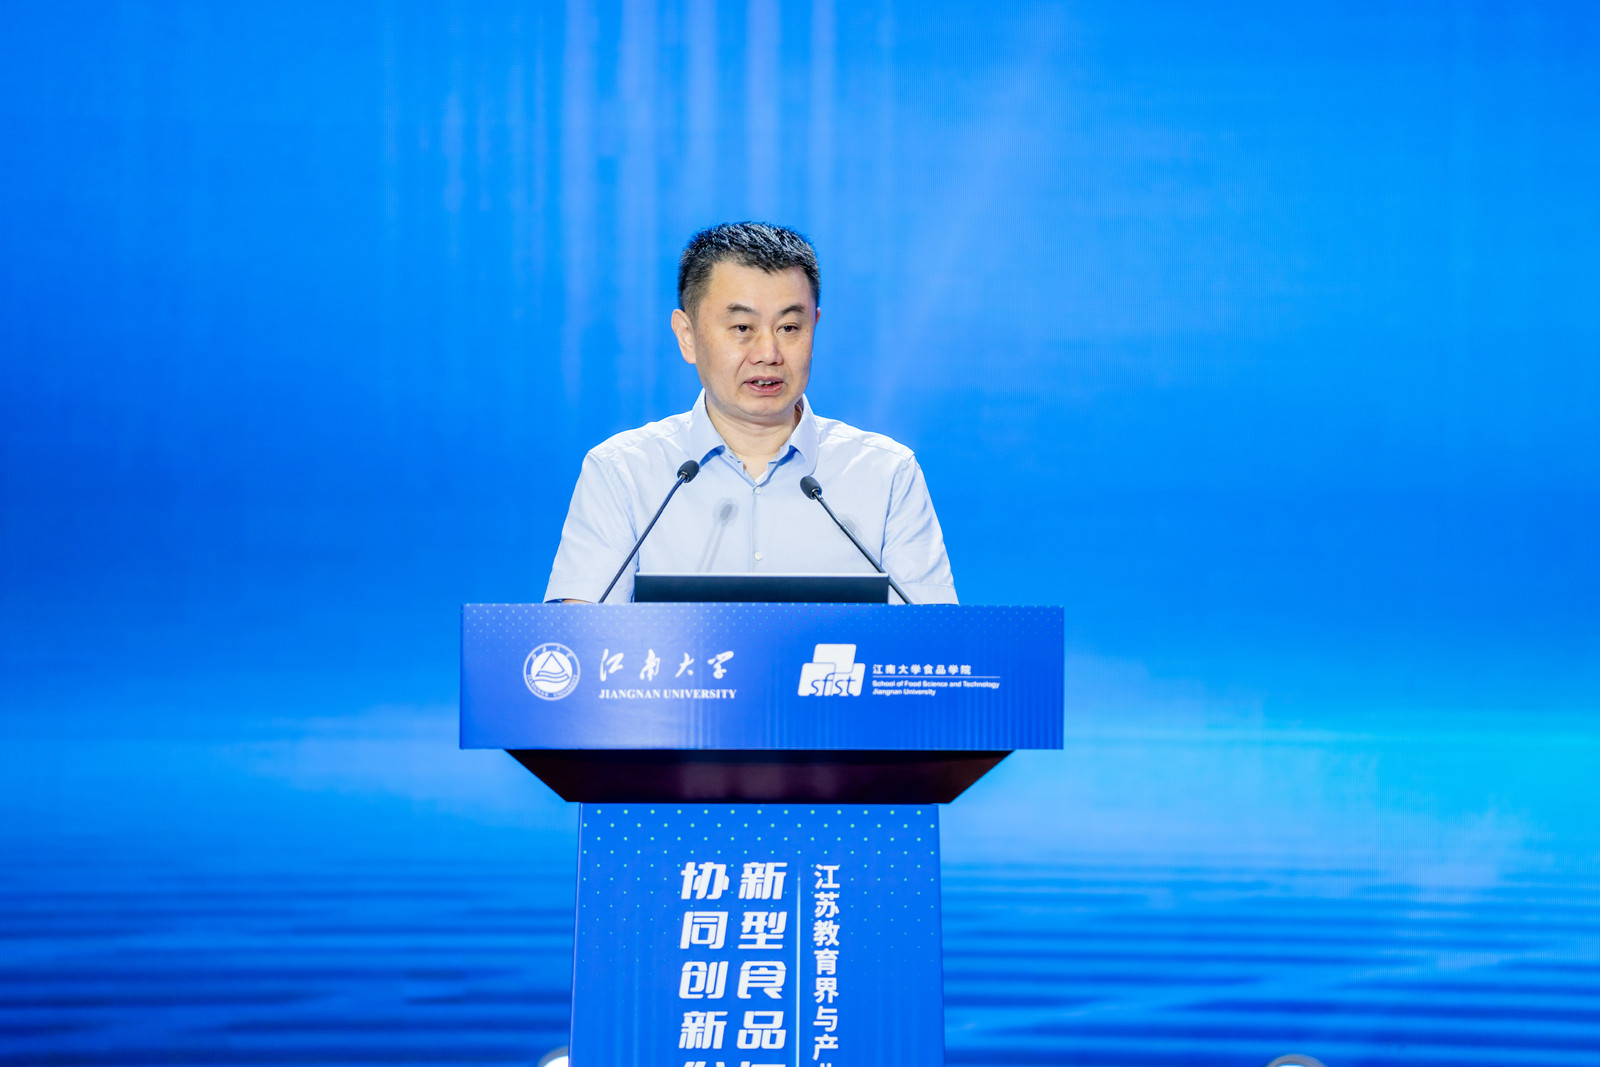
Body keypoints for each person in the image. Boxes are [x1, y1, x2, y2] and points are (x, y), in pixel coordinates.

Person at [544, 222, 957, 604]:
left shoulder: (886, 475)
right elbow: (580, 643)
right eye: (742, 328)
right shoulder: (622, 473)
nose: (768, 353)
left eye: (789, 328)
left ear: (814, 328)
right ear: (687, 336)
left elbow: (935, 643)